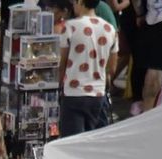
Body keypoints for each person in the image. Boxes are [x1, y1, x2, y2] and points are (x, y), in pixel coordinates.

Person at [50, 0, 116, 135]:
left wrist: (58, 85)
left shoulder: (70, 27)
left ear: (81, 2)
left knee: (72, 142)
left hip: (74, 93)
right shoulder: (110, 29)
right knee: (94, 140)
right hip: (98, 93)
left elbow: (62, 64)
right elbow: (112, 68)